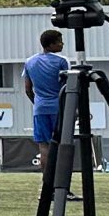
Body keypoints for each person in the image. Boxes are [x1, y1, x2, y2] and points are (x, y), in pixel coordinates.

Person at [23, 30, 70, 170]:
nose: (62, 44)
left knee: (44, 146)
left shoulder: (30, 62)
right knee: (62, 145)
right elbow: (68, 87)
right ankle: (61, 186)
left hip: (40, 109)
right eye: (59, 41)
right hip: (59, 109)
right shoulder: (62, 61)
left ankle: (47, 184)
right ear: (50, 45)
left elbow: (27, 89)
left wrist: (37, 102)